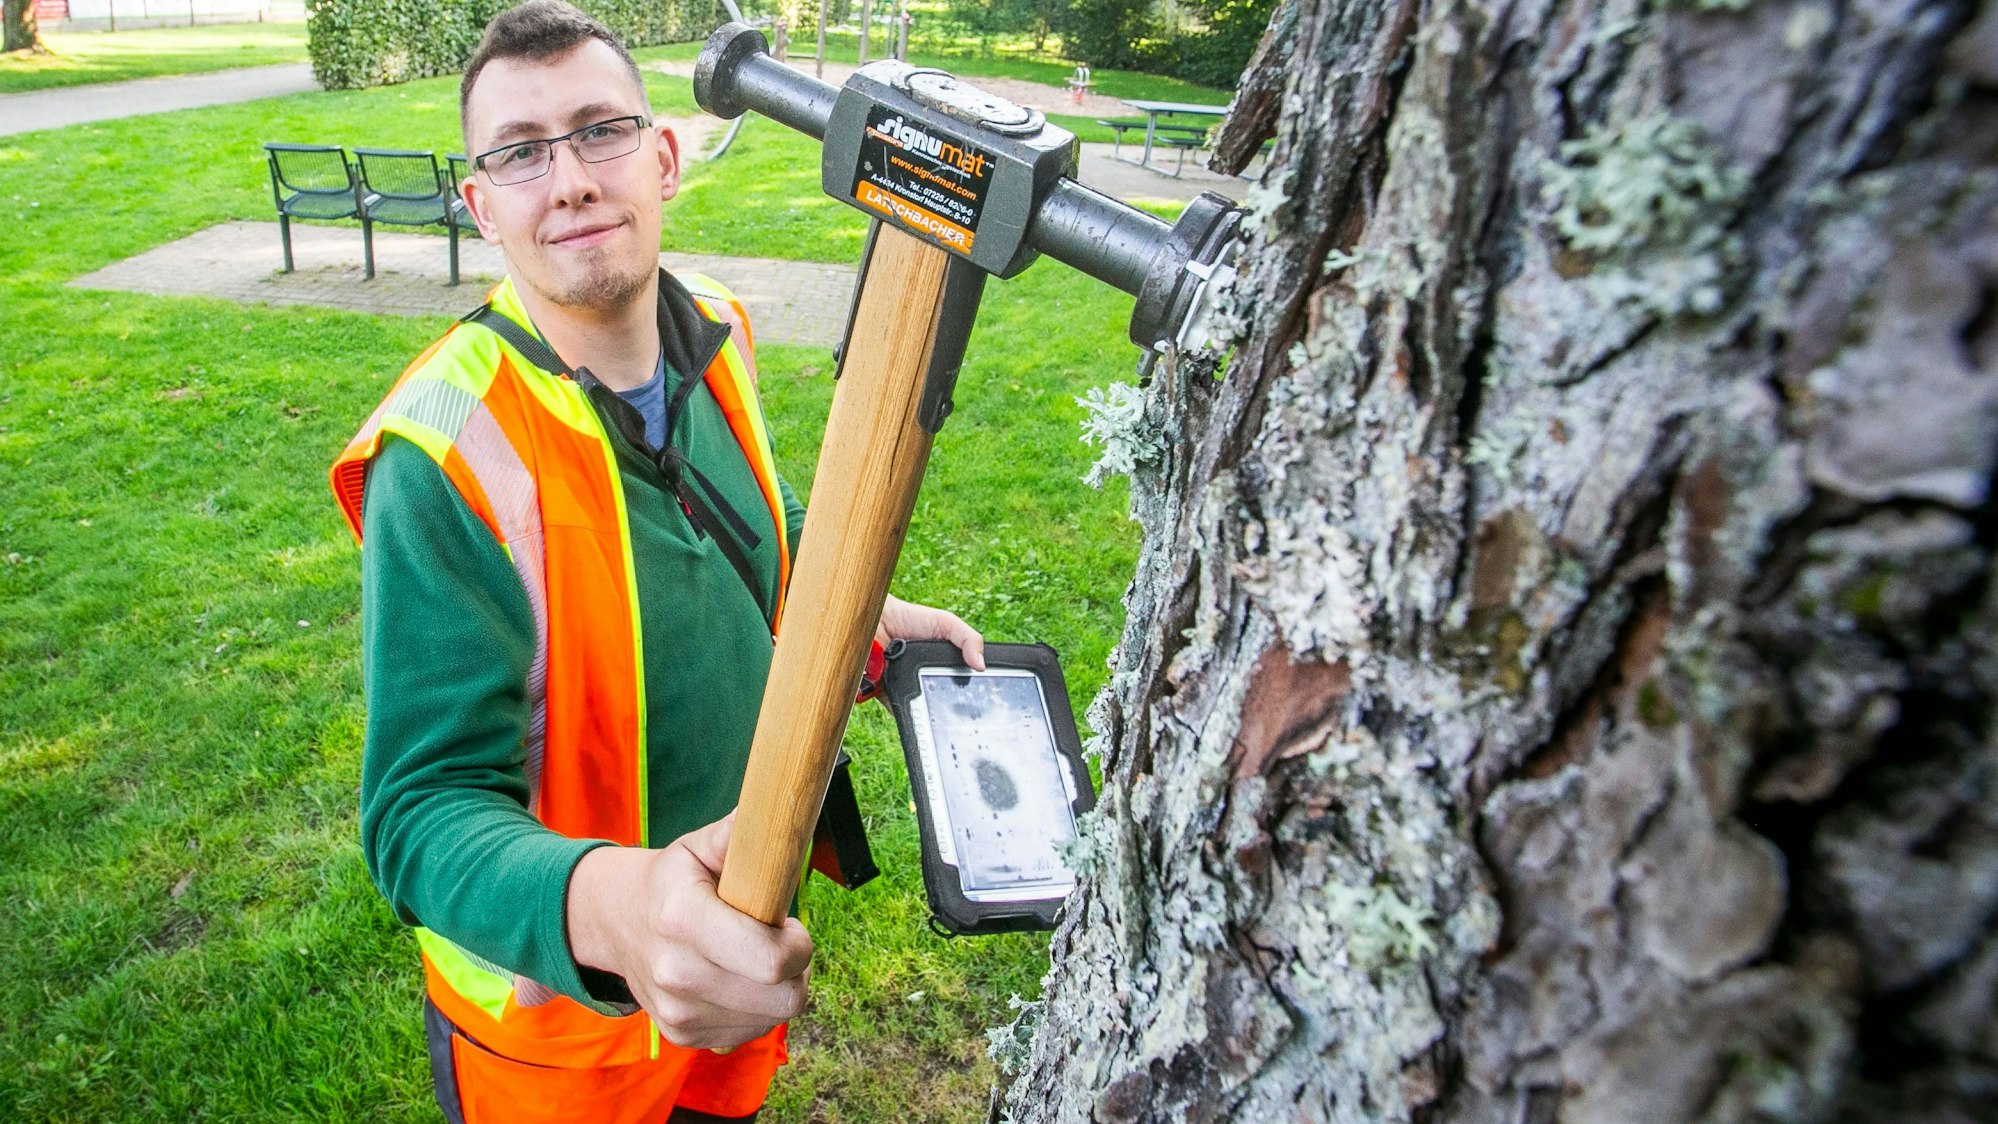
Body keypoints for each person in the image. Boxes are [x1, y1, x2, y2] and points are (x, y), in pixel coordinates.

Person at [326, 3, 984, 1120]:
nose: (570, 179)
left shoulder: (715, 326)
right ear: (481, 205)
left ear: (665, 157)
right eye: (520, 153)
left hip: (736, 962)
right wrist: (621, 909)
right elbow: (419, 811)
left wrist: (853, 610)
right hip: (564, 1054)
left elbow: (739, 518)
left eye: (600, 131)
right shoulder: (442, 451)